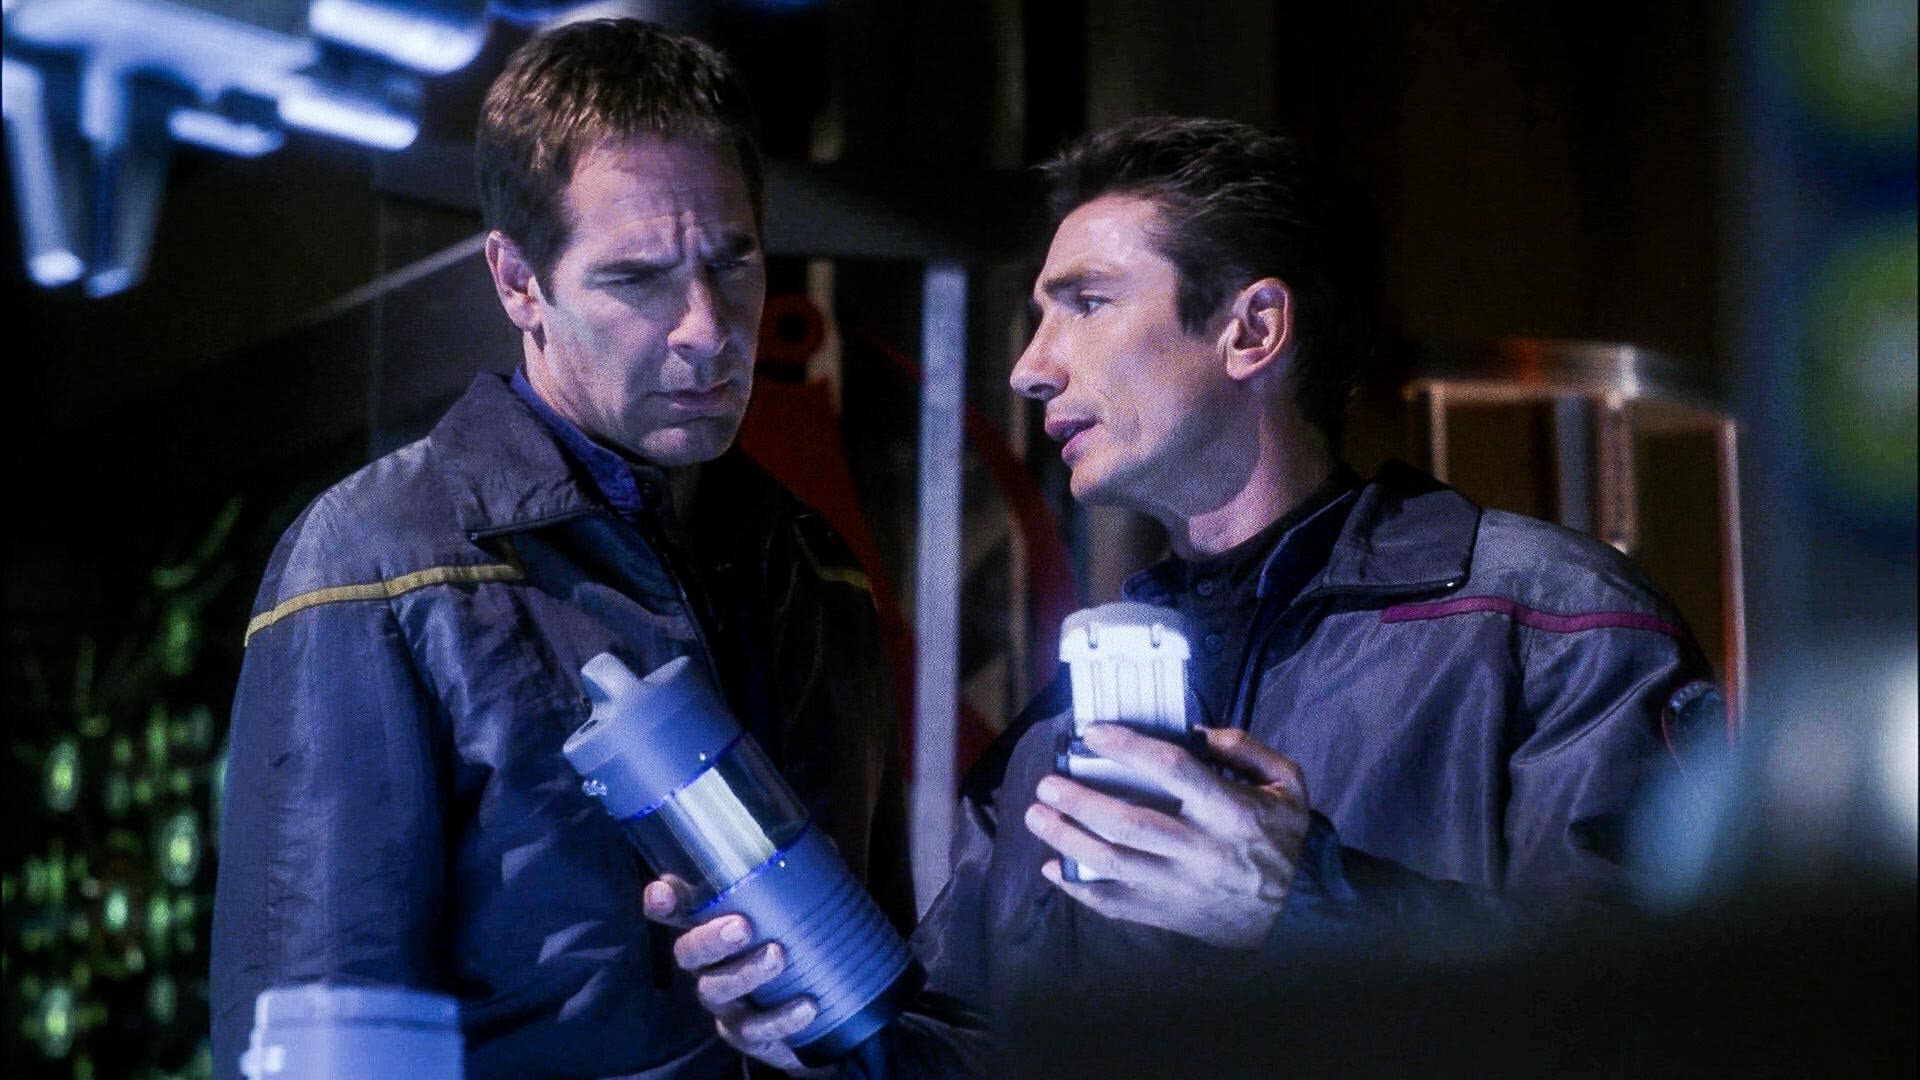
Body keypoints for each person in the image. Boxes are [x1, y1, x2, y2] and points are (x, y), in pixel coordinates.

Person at [647, 116, 1724, 1074]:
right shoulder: (1064, 721)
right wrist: (817, 1022)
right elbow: (978, 1049)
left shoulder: (1554, 625)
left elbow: (1661, 1022)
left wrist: (1304, 906)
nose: (1030, 367)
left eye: (1086, 303)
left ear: (1252, 330)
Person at [208, 19, 911, 1080]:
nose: (707, 328)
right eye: (637, 278)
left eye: (732, 261)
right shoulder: (372, 564)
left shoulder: (815, 566)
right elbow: (313, 1026)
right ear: (517, 280)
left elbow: (887, 996)